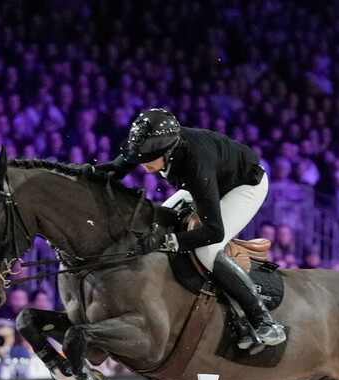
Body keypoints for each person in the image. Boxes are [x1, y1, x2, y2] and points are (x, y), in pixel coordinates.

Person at [93, 108, 284, 350]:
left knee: (207, 250)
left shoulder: (196, 166)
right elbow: (115, 170)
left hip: (244, 186)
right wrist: (82, 173)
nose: (141, 163)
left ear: (168, 151)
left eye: (147, 158)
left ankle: (262, 319)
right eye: (139, 156)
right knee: (157, 219)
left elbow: (213, 231)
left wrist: (165, 241)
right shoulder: (150, 145)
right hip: (212, 181)